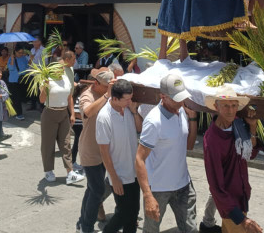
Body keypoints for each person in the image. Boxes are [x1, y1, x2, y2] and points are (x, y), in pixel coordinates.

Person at [136, 73, 199, 233]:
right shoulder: (153, 121)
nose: (180, 101)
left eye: (182, 96)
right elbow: (139, 159)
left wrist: (193, 120)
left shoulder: (182, 112)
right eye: (176, 98)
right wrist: (148, 196)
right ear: (162, 96)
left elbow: (188, 146)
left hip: (183, 185)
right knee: (151, 230)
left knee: (191, 230)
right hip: (158, 189)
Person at [203, 85, 263, 233]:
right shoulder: (212, 140)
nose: (230, 110)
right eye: (225, 106)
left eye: (234, 106)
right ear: (216, 107)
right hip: (230, 205)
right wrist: (242, 220)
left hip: (242, 195)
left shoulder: (238, 124)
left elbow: (251, 154)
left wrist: (253, 127)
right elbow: (216, 186)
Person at [96, 79, 143, 233]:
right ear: (115, 98)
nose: (130, 101)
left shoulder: (128, 109)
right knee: (123, 214)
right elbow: (104, 151)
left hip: (134, 172)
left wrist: (134, 111)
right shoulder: (104, 117)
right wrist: (114, 178)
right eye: (127, 99)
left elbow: (139, 128)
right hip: (119, 175)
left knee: (133, 213)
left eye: (131, 98)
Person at [76, 68, 115, 233]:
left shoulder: (105, 91)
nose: (108, 89)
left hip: (102, 150)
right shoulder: (87, 95)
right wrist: (107, 96)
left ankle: (81, 222)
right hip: (90, 150)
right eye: (106, 86)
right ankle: (87, 227)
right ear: (97, 83)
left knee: (92, 189)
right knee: (98, 190)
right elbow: (87, 112)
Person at [39, 50, 85, 185]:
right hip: (49, 114)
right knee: (48, 144)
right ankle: (48, 170)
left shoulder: (65, 78)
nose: (61, 70)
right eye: (58, 68)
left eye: (61, 68)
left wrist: (71, 113)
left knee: (66, 144)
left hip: (63, 114)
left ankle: (70, 173)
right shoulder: (47, 80)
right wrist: (44, 88)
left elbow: (69, 96)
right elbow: (42, 100)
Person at [6, 46, 28, 121]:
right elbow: (10, 68)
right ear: (15, 52)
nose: (21, 54)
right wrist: (12, 59)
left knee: (18, 97)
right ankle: (19, 114)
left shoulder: (24, 58)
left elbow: (26, 67)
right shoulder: (11, 58)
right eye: (19, 53)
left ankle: (13, 111)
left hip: (21, 80)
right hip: (13, 81)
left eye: (22, 52)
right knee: (16, 98)